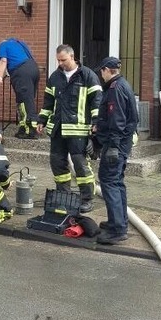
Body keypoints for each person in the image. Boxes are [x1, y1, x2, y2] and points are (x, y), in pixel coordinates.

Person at [36, 45, 102, 213]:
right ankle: (64, 196)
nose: (60, 63)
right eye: (58, 60)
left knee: (80, 166)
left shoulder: (87, 76)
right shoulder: (55, 77)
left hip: (78, 131)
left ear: (73, 57)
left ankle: (86, 199)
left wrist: (96, 122)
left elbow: (96, 101)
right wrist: (42, 119)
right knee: (57, 164)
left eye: (63, 60)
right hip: (58, 129)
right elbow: (48, 101)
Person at [93, 57, 139, 245]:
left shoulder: (115, 89)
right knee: (117, 182)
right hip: (121, 143)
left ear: (106, 70)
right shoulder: (123, 85)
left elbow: (117, 120)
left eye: (101, 71)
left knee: (109, 182)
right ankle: (118, 222)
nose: (101, 75)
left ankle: (117, 229)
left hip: (116, 145)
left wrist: (112, 145)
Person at [0, 38, 40, 139]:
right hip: (33, 68)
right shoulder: (19, 43)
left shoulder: (4, 44)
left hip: (21, 71)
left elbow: (3, 60)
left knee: (23, 100)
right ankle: (24, 127)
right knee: (28, 99)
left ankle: (29, 130)